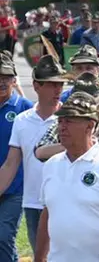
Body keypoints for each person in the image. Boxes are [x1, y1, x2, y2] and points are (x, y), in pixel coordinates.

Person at [34, 91, 99, 262]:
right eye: (61, 121)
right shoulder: (51, 165)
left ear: (90, 125)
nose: (62, 127)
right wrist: (39, 258)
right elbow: (47, 216)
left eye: (70, 121)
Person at [0, 52, 35, 258]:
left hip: (16, 187)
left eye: (5, 77)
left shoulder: (25, 109)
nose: (1, 82)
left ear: (14, 80)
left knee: (4, 235)